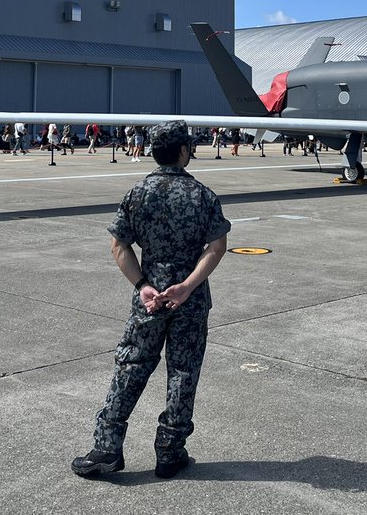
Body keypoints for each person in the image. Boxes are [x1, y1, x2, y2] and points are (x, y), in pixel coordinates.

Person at [71, 120, 231, 480]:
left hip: (149, 300)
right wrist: (188, 285)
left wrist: (142, 284)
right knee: (183, 372)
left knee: (132, 366)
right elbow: (217, 246)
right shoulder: (202, 195)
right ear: (183, 152)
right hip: (188, 300)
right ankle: (170, 451)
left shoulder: (137, 194)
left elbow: (118, 245)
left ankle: (107, 446)